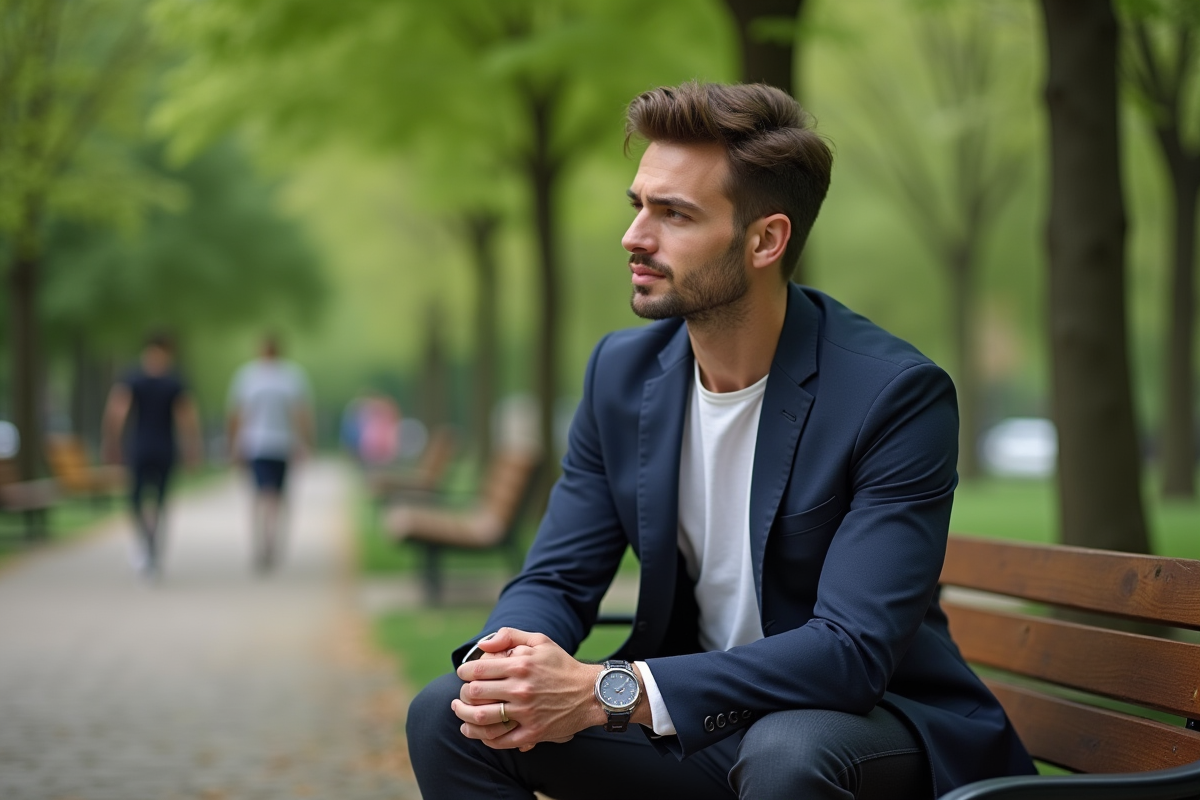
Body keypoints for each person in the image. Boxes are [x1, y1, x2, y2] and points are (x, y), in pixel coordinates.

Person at [406, 82, 1035, 799]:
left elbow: (850, 653)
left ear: (765, 239)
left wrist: (610, 688)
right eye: (638, 204)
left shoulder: (892, 396)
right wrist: (506, 662)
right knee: (449, 716)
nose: (635, 237)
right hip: (699, 723)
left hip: (867, 727)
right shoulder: (622, 373)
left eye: (674, 214)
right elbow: (556, 576)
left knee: (786, 751)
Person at [102, 332, 203, 579]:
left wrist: (111, 442)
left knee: (136, 500)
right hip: (165, 447)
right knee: (160, 500)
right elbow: (186, 416)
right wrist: (193, 447)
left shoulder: (133, 376)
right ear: (167, 351)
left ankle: (145, 545)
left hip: (139, 446)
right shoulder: (174, 380)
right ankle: (152, 548)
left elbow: (118, 410)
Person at [226, 335, 313, 572]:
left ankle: (261, 542)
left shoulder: (247, 376)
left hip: (255, 444)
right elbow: (300, 414)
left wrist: (233, 445)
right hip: (282, 444)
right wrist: (305, 443)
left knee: (260, 495)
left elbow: (238, 414)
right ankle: (270, 540)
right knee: (276, 496)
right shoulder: (292, 377)